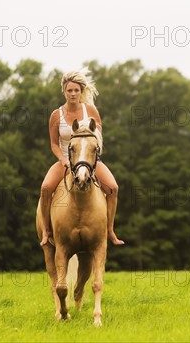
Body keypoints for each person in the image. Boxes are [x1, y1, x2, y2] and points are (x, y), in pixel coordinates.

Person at [39, 68, 124, 246]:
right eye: (69, 90)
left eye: (76, 90)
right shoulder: (56, 115)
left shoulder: (91, 111)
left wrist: (92, 158)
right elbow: (54, 143)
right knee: (46, 188)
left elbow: (98, 137)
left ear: (81, 91)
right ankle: (46, 232)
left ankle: (109, 230)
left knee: (113, 188)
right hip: (65, 161)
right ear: (64, 91)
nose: (73, 94)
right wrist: (63, 160)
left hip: (89, 161)